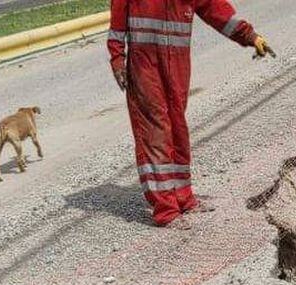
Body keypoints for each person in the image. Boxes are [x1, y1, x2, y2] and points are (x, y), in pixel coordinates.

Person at [107, 0, 274, 229]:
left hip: (177, 63)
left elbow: (215, 9)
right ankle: (166, 211)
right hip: (144, 65)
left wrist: (250, 36)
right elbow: (117, 20)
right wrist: (117, 58)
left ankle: (184, 198)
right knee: (155, 133)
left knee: (177, 128)